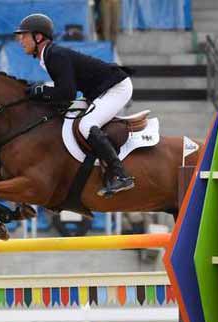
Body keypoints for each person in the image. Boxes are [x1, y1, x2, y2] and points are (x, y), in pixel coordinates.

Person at [14, 13, 134, 197]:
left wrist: (42, 92)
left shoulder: (54, 55)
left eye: (24, 35)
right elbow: (65, 91)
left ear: (38, 37)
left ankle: (120, 174)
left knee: (87, 125)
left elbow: (67, 94)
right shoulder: (49, 55)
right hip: (97, 91)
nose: (20, 40)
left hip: (116, 88)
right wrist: (42, 92)